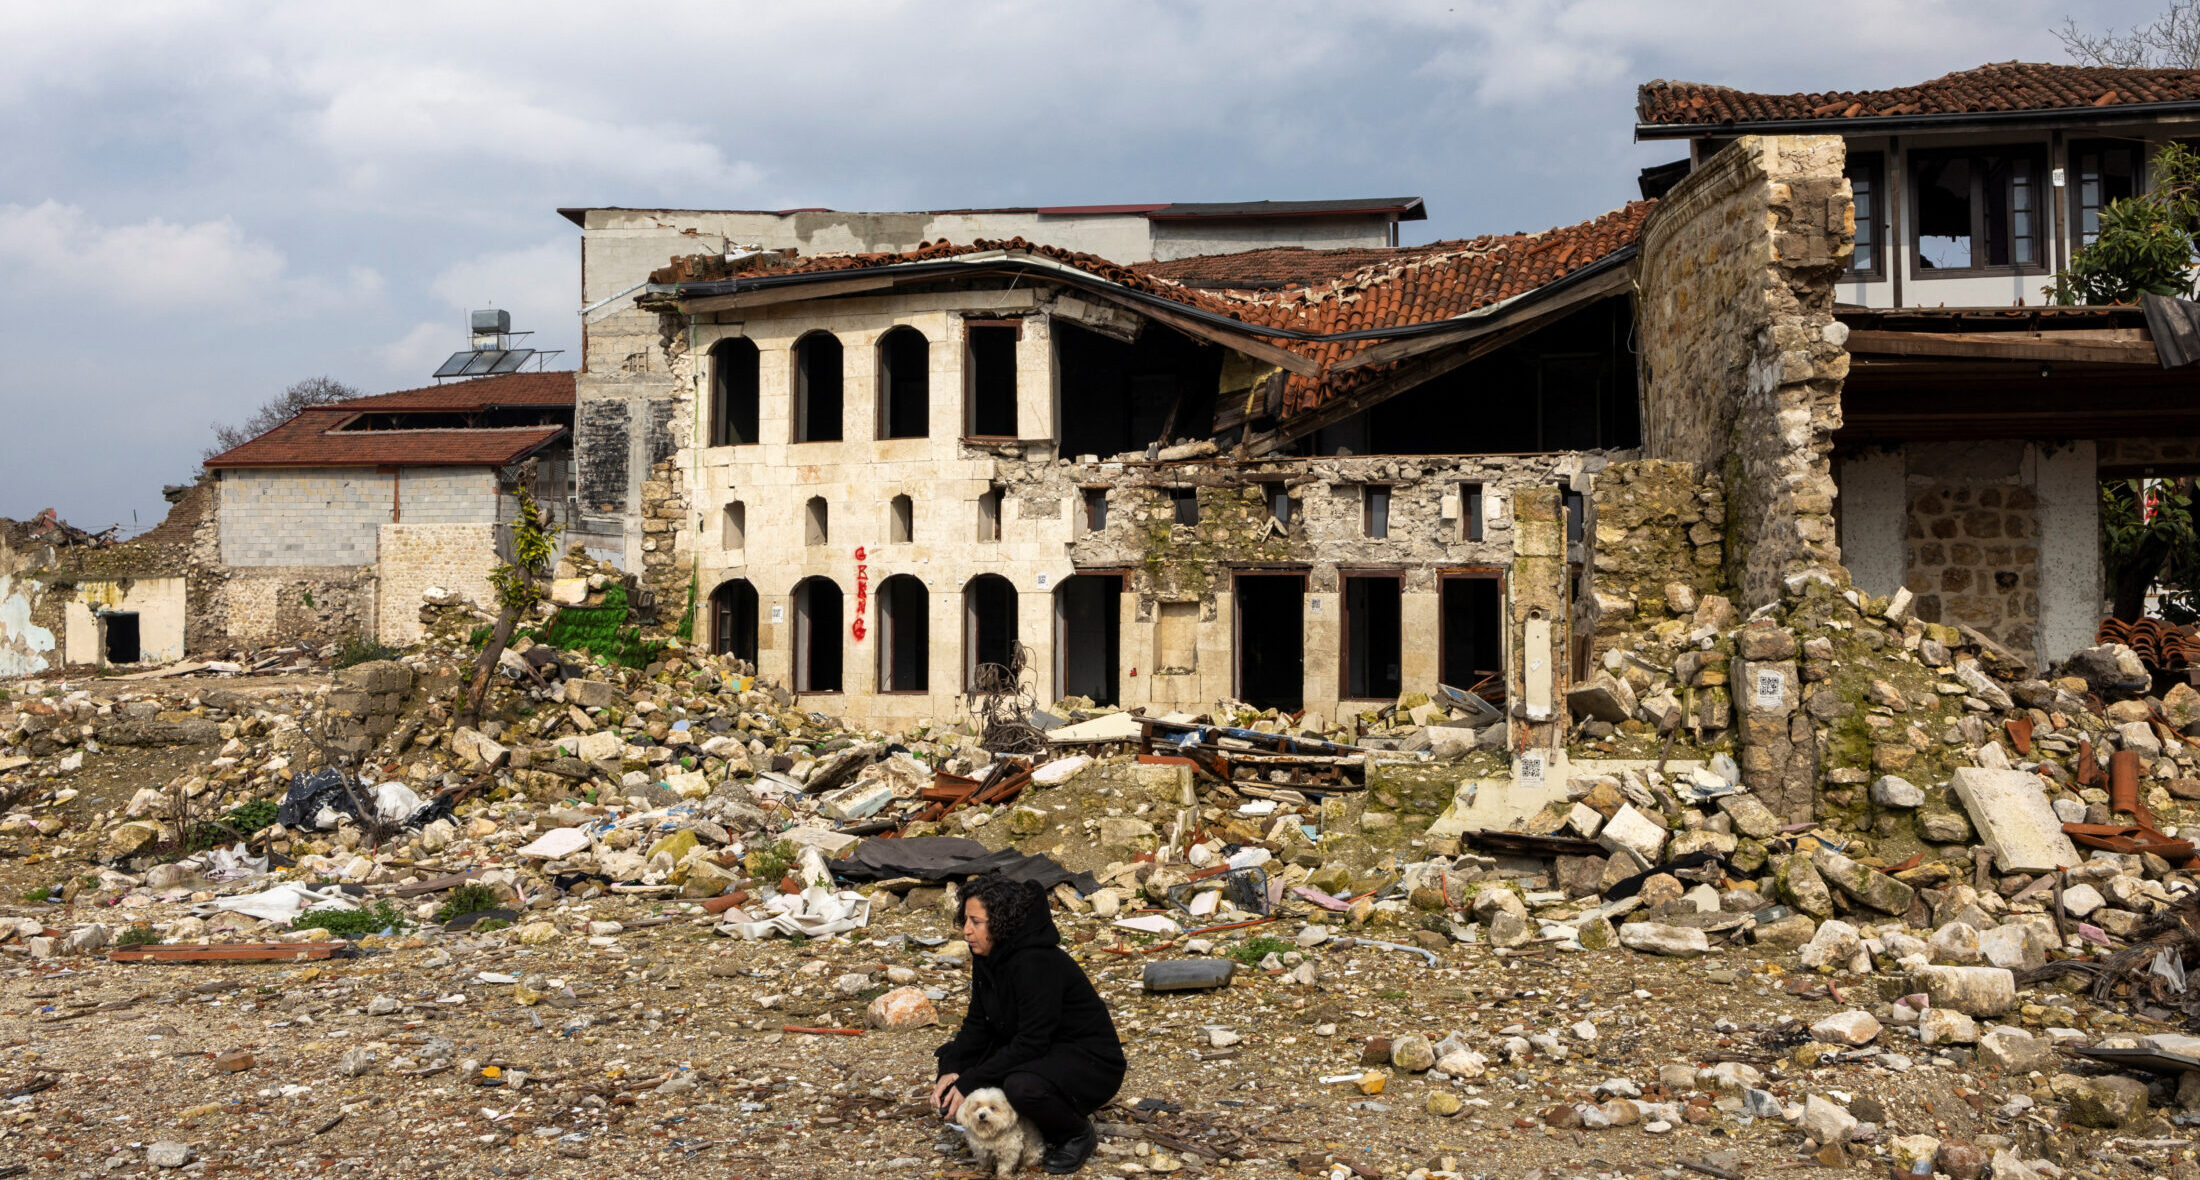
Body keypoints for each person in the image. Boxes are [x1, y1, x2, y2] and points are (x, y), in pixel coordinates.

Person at [932, 873, 1125, 1174]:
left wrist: (969, 1081)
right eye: (966, 920)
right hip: (1039, 1050)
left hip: (1089, 1062)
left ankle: (1075, 1133)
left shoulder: (1036, 962)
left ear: (1000, 924)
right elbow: (977, 1025)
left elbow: (1033, 1041)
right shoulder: (987, 957)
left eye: (976, 922)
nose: (967, 931)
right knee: (950, 1056)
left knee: (1021, 1087)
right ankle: (1032, 1120)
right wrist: (951, 1072)